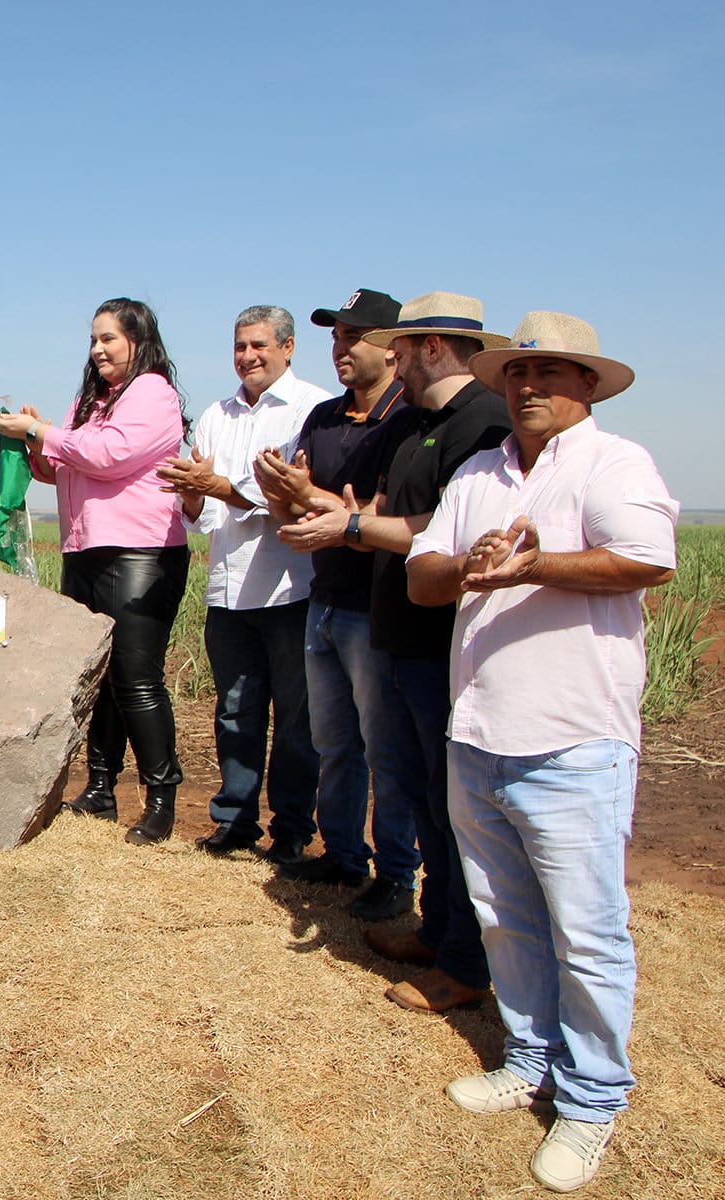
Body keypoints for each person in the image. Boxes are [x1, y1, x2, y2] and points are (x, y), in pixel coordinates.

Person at [408, 313, 675, 1193]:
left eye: (552, 373)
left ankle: (593, 1100)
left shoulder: (614, 463)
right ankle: (529, 1058)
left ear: (588, 386)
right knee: (507, 916)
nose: (529, 387)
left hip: (573, 738)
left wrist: (533, 566)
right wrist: (469, 568)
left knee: (589, 934)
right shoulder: (480, 471)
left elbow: (645, 557)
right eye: (519, 372)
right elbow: (421, 575)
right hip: (479, 730)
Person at [293, 292, 511, 1014]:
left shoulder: (485, 422)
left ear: (431, 348)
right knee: (423, 797)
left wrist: (350, 525)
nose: (393, 357)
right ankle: (438, 932)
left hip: (442, 643)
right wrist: (343, 515)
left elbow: (446, 530)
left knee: (457, 810)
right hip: (402, 638)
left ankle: (464, 963)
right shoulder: (421, 423)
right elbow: (393, 513)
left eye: (402, 345)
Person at [0, 297, 189, 842]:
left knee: (137, 677)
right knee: (100, 674)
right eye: (94, 340)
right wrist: (37, 445)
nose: (99, 349)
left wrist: (41, 431)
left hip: (139, 552)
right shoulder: (92, 398)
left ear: (137, 341)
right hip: (85, 550)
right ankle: (100, 788)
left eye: (110, 339)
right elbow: (70, 465)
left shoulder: (153, 392)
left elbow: (109, 455)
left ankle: (160, 797)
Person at [255, 289, 421, 921]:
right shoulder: (323, 418)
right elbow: (294, 508)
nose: (341, 348)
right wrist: (281, 492)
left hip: (376, 608)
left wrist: (309, 493)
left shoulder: (407, 421)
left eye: (355, 336)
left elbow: (381, 515)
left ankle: (398, 871)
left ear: (392, 345)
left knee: (384, 747)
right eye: (335, 336)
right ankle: (346, 854)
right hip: (322, 600)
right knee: (333, 742)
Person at [154, 305, 331, 863]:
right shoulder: (216, 415)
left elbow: (288, 501)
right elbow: (205, 518)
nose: (248, 357)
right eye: (239, 347)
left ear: (289, 347)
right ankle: (234, 821)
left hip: (288, 586)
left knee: (296, 718)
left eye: (259, 346)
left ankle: (292, 829)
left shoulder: (313, 410)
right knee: (234, 711)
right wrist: (190, 490)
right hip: (228, 590)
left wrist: (219, 484)